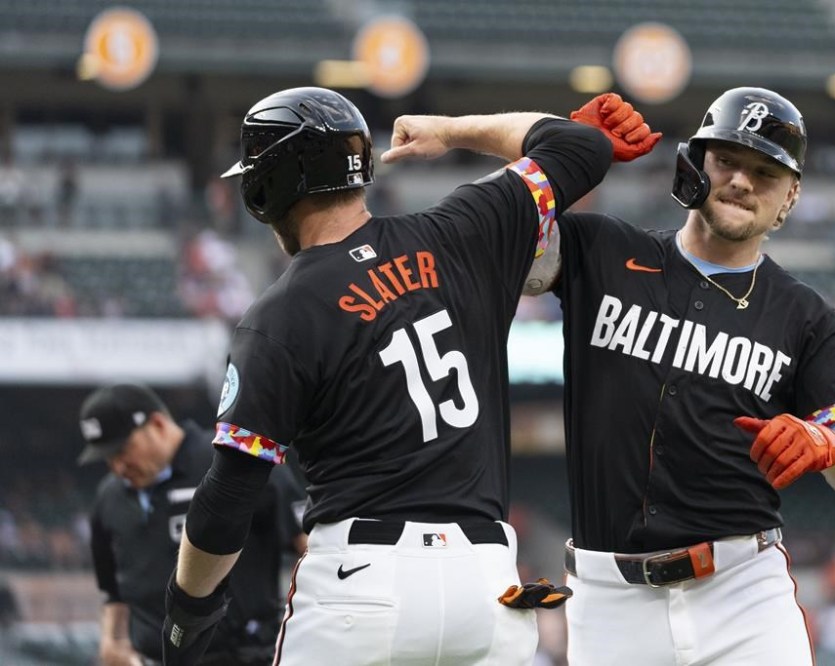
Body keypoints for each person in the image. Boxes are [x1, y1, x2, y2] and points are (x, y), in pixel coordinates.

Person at [160, 87, 657, 665]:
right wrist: (449, 131)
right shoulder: (464, 230)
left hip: (362, 583)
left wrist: (185, 614)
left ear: (263, 188)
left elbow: (227, 499)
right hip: (488, 582)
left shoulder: (279, 316)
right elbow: (579, 144)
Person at [524, 87, 835, 664]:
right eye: (727, 160)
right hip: (607, 602)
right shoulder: (601, 250)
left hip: (742, 594)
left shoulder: (803, 314)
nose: (742, 182)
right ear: (695, 163)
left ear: (790, 196)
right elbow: (494, 241)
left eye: (765, 172)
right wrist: (559, 152)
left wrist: (829, 444)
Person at [78, 382, 306, 666]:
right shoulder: (108, 496)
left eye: (123, 449)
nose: (118, 467)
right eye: (107, 458)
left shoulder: (233, 463)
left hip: (246, 655)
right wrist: (112, 641)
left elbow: (308, 544)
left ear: (158, 424)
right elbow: (112, 589)